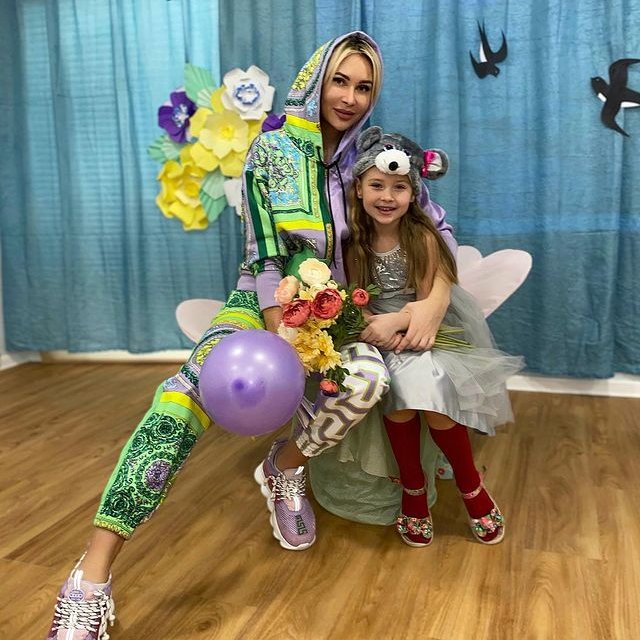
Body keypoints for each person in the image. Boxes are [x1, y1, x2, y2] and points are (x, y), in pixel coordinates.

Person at [45, 33, 456, 639]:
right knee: (178, 403)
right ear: (316, 80)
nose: (349, 97)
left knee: (367, 381)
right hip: (260, 305)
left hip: (338, 308)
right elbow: (264, 256)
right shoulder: (271, 149)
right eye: (340, 81)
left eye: (364, 86)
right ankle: (90, 579)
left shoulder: (372, 156)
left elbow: (435, 226)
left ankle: (283, 466)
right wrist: (276, 332)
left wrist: (433, 302)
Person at [315, 126, 524, 546]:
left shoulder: (422, 238)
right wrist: (378, 329)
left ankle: (468, 485)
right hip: (376, 336)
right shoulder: (354, 244)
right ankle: (413, 487)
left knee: (422, 387)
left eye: (399, 187)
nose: (387, 197)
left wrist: (400, 325)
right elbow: (358, 301)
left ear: (414, 194)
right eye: (377, 185)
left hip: (422, 333)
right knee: (398, 393)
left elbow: (430, 304)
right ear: (359, 189)